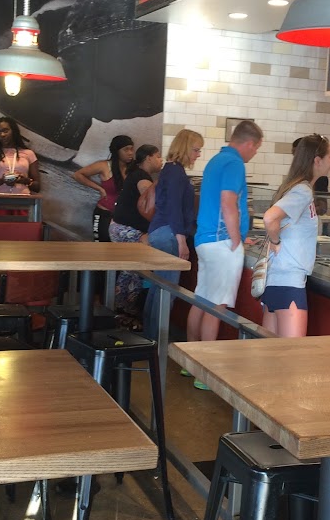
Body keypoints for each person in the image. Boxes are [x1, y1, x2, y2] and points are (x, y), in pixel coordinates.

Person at [187, 120, 263, 388]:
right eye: (256, 148)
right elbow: (228, 202)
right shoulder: (234, 164)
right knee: (216, 306)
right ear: (249, 143)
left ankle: (190, 363)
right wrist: (235, 239)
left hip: (205, 239)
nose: (255, 153)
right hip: (222, 243)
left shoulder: (216, 160)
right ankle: (205, 373)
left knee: (201, 300)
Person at [260, 134, 330, 337]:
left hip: (275, 281)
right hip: (289, 282)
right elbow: (270, 217)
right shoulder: (303, 191)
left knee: (270, 353)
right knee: (291, 354)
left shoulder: (293, 187)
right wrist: (275, 241)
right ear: (317, 160)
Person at [143, 128, 203, 337]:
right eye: (195, 150)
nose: (198, 154)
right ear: (185, 148)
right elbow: (174, 208)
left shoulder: (169, 169)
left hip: (160, 232)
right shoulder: (176, 172)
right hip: (169, 234)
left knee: (157, 287)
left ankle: (149, 337)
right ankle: (156, 340)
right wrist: (181, 241)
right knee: (166, 291)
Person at [110, 144, 164, 327]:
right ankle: (127, 314)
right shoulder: (142, 178)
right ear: (148, 158)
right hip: (128, 229)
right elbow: (151, 206)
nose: (161, 160)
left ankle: (121, 313)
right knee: (135, 272)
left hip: (120, 227)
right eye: (158, 156)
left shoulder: (137, 174)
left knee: (129, 271)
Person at [73, 135, 135, 242]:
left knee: (121, 249)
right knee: (101, 246)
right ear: (117, 151)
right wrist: (99, 189)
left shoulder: (134, 169)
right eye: (126, 149)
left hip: (124, 216)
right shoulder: (104, 166)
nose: (130, 153)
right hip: (104, 214)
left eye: (132, 149)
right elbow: (77, 175)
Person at [0, 118, 40, 195]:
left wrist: (24, 180)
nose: (2, 135)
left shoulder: (29, 153)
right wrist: (2, 180)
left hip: (22, 200)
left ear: (13, 131)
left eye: (5, 131)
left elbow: (37, 187)